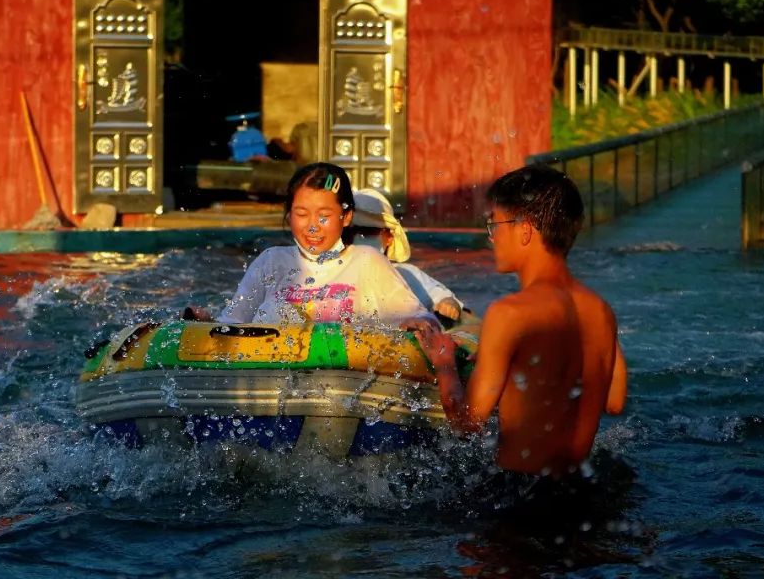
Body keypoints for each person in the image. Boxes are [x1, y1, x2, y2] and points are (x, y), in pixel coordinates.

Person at [420, 165, 627, 478]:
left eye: (494, 225)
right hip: (581, 490)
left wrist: (444, 362)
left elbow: (468, 423)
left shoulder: (510, 313)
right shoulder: (601, 310)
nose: (492, 238)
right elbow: (613, 402)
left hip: (521, 496)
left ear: (525, 229)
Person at [187, 162, 439, 330]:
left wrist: (415, 324)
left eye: (324, 215)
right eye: (301, 213)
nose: (313, 226)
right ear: (288, 216)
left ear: (346, 216)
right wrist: (205, 323)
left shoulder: (368, 261)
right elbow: (233, 324)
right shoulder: (271, 261)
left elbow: (421, 319)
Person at [349, 188, 467, 327]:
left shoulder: (406, 274)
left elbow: (440, 295)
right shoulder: (333, 272)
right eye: (349, 232)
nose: (357, 237)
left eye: (367, 232)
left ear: (389, 238)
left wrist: (448, 304)